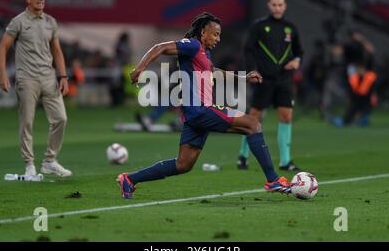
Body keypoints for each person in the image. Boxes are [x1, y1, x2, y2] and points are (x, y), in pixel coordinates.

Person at [117, 12, 291, 199]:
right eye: (215, 34)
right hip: (200, 109)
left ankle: (130, 179)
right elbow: (160, 47)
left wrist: (243, 78)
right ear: (202, 33)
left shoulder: (204, 53)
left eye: (219, 35)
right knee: (253, 125)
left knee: (183, 164)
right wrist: (140, 68)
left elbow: (214, 72)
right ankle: (272, 180)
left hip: (195, 115)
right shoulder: (192, 45)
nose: (218, 38)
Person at [0, 0, 72, 178]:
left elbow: (57, 51)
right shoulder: (18, 22)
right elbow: (2, 48)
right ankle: (29, 165)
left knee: (61, 119)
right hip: (27, 78)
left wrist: (63, 75)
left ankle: (49, 161)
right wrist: (3, 74)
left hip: (49, 77)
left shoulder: (50, 22)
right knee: (27, 122)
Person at [237, 0, 303, 171]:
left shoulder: (291, 28)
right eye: (274, 4)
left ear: (285, 6)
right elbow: (248, 49)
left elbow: (299, 52)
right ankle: (243, 156)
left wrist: (297, 61)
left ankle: (285, 161)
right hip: (264, 80)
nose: (277, 8)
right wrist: (253, 71)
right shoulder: (259, 26)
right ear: (269, 5)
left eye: (280, 5)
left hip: (284, 79)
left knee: (286, 116)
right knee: (254, 117)